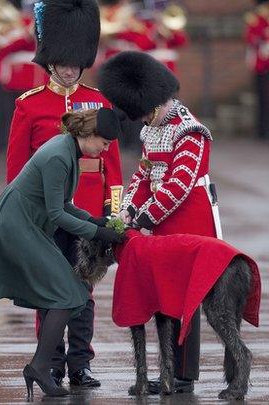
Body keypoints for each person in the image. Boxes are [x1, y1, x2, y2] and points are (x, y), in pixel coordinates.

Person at [6, 0, 123, 387]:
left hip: (87, 212)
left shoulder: (99, 102)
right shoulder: (30, 105)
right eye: (64, 61)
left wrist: (114, 211)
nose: (71, 68)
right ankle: (51, 360)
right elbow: (17, 169)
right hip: (45, 214)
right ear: (50, 60)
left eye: (76, 62)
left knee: (84, 291)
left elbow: (114, 168)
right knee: (49, 289)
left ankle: (81, 362)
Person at [0, 108, 124, 398]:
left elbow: (64, 204)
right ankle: (40, 367)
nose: (105, 149)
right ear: (88, 135)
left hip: (29, 222)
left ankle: (39, 367)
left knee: (72, 291)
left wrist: (95, 220)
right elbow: (57, 213)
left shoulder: (69, 150)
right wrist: (96, 232)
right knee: (66, 292)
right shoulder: (58, 155)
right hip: (19, 225)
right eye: (104, 142)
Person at [98, 51, 220, 394]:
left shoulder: (190, 130)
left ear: (151, 105)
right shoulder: (153, 129)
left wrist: (145, 216)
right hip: (162, 220)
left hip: (191, 219)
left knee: (185, 299)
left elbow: (178, 186)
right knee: (163, 295)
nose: (142, 123)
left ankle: (185, 373)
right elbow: (143, 176)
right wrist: (127, 211)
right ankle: (167, 370)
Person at [244, 0, 269, 140]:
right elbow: (251, 38)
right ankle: (262, 130)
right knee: (263, 99)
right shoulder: (257, 21)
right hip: (263, 67)